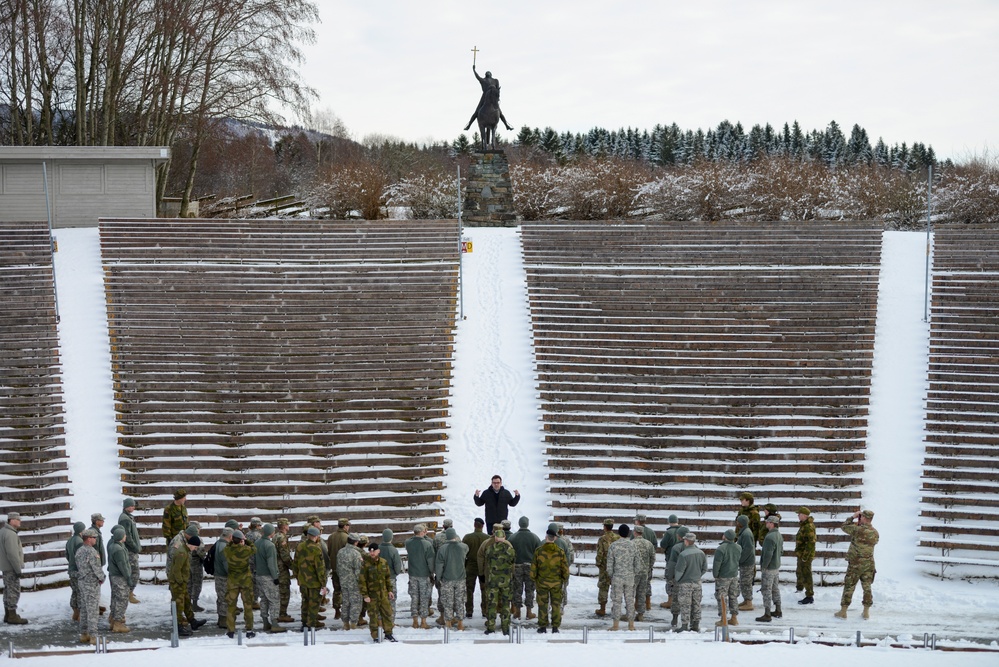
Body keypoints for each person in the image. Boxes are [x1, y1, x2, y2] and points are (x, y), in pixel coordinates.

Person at [836, 509, 879, 620]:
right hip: (868, 564)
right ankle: (866, 612)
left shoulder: (857, 530)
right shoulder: (875, 533)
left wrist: (853, 517)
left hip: (855, 563)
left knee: (849, 586)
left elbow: (844, 526)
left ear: (864, 518)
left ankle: (843, 611)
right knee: (867, 587)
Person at [167, 525, 207, 637]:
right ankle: (179, 626)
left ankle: (192, 621)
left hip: (182, 580)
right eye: (195, 547)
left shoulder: (185, 549)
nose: (195, 550)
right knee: (179, 604)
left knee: (186, 601)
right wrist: (179, 581)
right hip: (177, 581)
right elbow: (175, 569)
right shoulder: (181, 551)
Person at [530, 524, 568, 634]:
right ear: (555, 538)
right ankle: (555, 627)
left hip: (542, 583)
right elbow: (565, 569)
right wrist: (564, 579)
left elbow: (533, 568)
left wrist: (534, 578)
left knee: (542, 605)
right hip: (556, 583)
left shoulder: (539, 551)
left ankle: (542, 626)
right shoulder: (560, 552)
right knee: (556, 605)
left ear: (546, 537)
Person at [359, 542, 397, 642]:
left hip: (383, 595)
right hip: (372, 596)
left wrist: (390, 590)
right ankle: (375, 636)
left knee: (387, 614)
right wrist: (365, 595)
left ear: (378, 551)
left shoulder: (383, 562)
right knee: (373, 616)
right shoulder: (366, 564)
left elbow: (387, 578)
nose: (372, 553)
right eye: (370, 551)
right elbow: (362, 581)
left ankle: (388, 633)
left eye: (374, 551)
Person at [482, 527, 515, 635]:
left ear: (495, 538)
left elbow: (487, 560)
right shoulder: (510, 549)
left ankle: (491, 627)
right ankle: (506, 628)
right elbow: (513, 561)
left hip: (493, 581)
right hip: (506, 581)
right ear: (504, 537)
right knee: (505, 604)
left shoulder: (490, 549)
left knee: (492, 604)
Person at [606, 524, 640, 631]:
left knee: (617, 601)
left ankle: (616, 625)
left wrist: (612, 574)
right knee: (630, 600)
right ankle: (631, 625)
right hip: (629, 577)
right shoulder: (633, 545)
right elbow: (638, 564)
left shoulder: (614, 546)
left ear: (619, 533)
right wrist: (633, 573)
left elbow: (609, 564)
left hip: (617, 577)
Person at [434, 527, 469, 630]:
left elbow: (439, 565)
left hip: (447, 579)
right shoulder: (464, 547)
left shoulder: (442, 549)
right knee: (460, 601)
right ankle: (460, 623)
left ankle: (448, 622)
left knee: (448, 601)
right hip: (460, 578)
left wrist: (438, 578)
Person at [673, 532, 707, 632]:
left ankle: (684, 625)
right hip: (697, 582)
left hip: (685, 583)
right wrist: (697, 576)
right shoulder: (701, 553)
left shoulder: (683, 555)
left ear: (687, 541)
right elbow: (704, 568)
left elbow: (679, 571)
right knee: (696, 604)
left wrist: (678, 580)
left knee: (685, 604)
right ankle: (695, 624)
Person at [225, 529, 256, 638]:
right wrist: (246, 541)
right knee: (248, 606)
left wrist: (233, 542)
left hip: (232, 582)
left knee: (231, 607)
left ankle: (230, 630)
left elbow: (228, 547)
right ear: (241, 540)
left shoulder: (227, 550)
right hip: (245, 582)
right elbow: (254, 548)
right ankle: (249, 629)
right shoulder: (246, 550)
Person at [75, 528, 105, 644]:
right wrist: (102, 578)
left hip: (82, 582)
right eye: (94, 537)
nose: (95, 539)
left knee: (84, 609)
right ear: (88, 539)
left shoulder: (79, 551)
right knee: (92, 610)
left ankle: (84, 634)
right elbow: (96, 568)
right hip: (91, 583)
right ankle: (94, 636)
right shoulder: (91, 551)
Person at [463, 65, 514, 132]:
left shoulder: (495, 80)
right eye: (487, 73)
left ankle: (506, 125)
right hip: (484, 97)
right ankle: (469, 125)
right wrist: (474, 70)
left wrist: (497, 98)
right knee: (477, 112)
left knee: (500, 112)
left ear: (491, 74)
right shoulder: (483, 80)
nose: (488, 73)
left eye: (489, 73)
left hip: (493, 98)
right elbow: (477, 77)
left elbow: (497, 90)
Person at [255, 523, 285, 633]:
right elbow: (271, 564)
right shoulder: (270, 545)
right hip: (268, 576)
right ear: (271, 533)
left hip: (259, 575)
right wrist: (275, 577)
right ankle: (275, 623)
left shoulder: (257, 543)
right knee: (274, 600)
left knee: (264, 599)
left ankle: (265, 622)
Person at [404, 524, 435, 629]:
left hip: (412, 574)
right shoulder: (427, 544)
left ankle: (414, 621)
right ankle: (423, 621)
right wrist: (432, 572)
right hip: (424, 574)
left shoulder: (408, 543)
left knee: (414, 597)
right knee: (424, 598)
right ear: (422, 532)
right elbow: (430, 561)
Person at [509, 516, 541, 620]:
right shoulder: (535, 537)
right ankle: (529, 612)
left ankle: (517, 611)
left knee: (517, 589)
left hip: (517, 566)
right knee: (530, 589)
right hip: (530, 567)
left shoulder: (513, 537)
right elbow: (539, 553)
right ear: (527, 524)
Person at [297, 526, 328, 629]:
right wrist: (323, 583)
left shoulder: (300, 546)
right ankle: (311, 624)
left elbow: (295, 564)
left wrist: (298, 577)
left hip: (303, 581)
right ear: (316, 536)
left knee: (305, 602)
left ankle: (304, 622)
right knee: (314, 603)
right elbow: (320, 568)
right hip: (314, 582)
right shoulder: (316, 549)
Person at [1, 512, 27, 625]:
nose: (20, 521)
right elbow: (12, 554)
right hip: (11, 568)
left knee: (8, 590)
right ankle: (12, 616)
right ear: (11, 520)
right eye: (17, 519)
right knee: (13, 591)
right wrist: (18, 569)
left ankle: (8, 614)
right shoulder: (10, 534)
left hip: (5, 567)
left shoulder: (3, 531)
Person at [712, 529, 741, 626]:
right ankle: (734, 618)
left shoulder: (721, 549)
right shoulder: (738, 547)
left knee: (722, 598)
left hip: (723, 576)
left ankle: (723, 618)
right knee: (733, 597)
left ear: (726, 536)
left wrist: (715, 575)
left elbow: (717, 564)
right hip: (734, 575)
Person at [757, 514, 783, 622]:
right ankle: (778, 609)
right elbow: (781, 551)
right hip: (776, 566)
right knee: (775, 589)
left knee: (766, 590)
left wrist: (764, 566)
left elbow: (768, 554)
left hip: (769, 568)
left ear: (772, 524)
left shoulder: (769, 537)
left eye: (767, 522)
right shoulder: (779, 535)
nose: (766, 523)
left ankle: (767, 613)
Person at [462, 518, 489, 618]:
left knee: (469, 589)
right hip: (483, 566)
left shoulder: (467, 537)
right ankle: (485, 610)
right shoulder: (487, 538)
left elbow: (463, 552)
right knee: (485, 589)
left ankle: (469, 610)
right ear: (482, 526)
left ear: (474, 525)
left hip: (470, 566)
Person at [107, 525, 131, 633]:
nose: (126, 536)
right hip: (119, 577)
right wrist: (128, 577)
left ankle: (113, 620)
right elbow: (123, 566)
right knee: (121, 600)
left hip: (115, 576)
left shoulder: (115, 545)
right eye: (124, 535)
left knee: (116, 598)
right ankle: (118, 623)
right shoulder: (118, 549)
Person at [336, 533, 363, 630]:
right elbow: (358, 570)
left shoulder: (340, 552)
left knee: (345, 602)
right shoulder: (356, 554)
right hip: (353, 582)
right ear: (356, 542)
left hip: (343, 581)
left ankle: (345, 623)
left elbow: (338, 568)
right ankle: (353, 624)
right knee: (355, 602)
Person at [118, 498, 141, 603]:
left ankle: (130, 591)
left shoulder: (128, 517)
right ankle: (129, 592)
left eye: (133, 505)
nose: (133, 507)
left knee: (133, 572)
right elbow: (128, 536)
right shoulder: (125, 519)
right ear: (126, 506)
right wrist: (135, 547)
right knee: (134, 572)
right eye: (131, 505)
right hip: (130, 550)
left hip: (132, 549)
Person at [594, 518, 619, 617]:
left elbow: (600, 553)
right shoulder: (617, 538)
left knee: (603, 587)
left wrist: (598, 563)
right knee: (615, 587)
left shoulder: (602, 539)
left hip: (605, 567)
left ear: (605, 527)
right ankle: (615, 607)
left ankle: (602, 609)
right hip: (615, 567)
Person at [327, 518, 350, 620]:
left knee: (336, 590)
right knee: (345, 590)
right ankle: (345, 611)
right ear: (345, 526)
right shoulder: (347, 537)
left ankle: (337, 610)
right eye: (348, 525)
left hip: (334, 567)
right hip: (344, 568)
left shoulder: (331, 537)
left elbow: (329, 551)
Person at [666, 525, 689, 625]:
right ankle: (687, 619)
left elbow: (672, 564)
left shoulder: (676, 547)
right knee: (688, 599)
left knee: (676, 598)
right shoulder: (695, 547)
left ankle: (675, 617)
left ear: (679, 536)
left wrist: (669, 576)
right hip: (690, 576)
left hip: (678, 576)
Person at [273, 518, 295, 623]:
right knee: (284, 592)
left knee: (280, 591)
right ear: (284, 526)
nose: (288, 526)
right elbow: (284, 555)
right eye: (287, 524)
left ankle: (280, 613)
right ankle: (282, 614)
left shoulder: (276, 536)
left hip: (277, 567)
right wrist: (293, 566)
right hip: (281, 568)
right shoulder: (281, 538)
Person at [378, 529, 403, 619]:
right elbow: (397, 565)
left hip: (378, 578)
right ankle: (391, 620)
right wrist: (395, 574)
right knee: (391, 600)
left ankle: (380, 620)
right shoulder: (393, 550)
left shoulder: (378, 549)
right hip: (390, 578)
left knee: (379, 599)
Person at [212, 527, 234, 628]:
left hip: (218, 574)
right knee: (225, 598)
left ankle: (221, 618)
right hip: (224, 576)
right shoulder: (225, 547)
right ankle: (223, 620)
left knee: (221, 598)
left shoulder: (218, 543)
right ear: (230, 536)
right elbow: (227, 565)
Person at [631, 528, 655, 621]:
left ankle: (630, 612)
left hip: (634, 572)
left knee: (631, 593)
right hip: (645, 572)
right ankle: (640, 614)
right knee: (641, 593)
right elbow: (653, 557)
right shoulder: (649, 544)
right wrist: (648, 568)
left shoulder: (631, 543)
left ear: (635, 532)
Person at [633, 514, 656, 609]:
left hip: (636, 567)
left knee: (635, 587)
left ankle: (636, 605)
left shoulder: (633, 537)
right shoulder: (651, 532)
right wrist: (650, 565)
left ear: (638, 521)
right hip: (647, 565)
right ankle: (647, 603)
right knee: (647, 584)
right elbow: (655, 546)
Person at [658, 514, 681, 609]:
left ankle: (670, 600)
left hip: (671, 559)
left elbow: (663, 545)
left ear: (669, 521)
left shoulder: (669, 532)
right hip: (683, 559)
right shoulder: (684, 531)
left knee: (670, 579)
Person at [65, 521, 86, 621]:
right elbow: (81, 557)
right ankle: (80, 615)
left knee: (74, 591)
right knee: (81, 592)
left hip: (71, 569)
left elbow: (67, 555)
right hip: (78, 570)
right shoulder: (79, 542)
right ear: (81, 531)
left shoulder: (70, 540)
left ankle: (75, 612)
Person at [187, 520, 209, 612]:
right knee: (197, 583)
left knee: (189, 583)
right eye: (199, 528)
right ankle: (194, 603)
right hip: (196, 563)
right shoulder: (197, 539)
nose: (200, 530)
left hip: (188, 562)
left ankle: (188, 603)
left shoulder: (185, 538)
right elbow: (201, 552)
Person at [795, 507, 816, 605]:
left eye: (799, 514)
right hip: (802, 554)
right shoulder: (804, 525)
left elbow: (810, 543)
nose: (798, 516)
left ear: (804, 515)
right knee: (801, 572)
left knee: (807, 575)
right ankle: (801, 590)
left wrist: (805, 556)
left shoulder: (808, 526)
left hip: (805, 555)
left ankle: (809, 596)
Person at [735, 515, 756, 611]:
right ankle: (746, 600)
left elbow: (748, 549)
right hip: (745, 561)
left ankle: (749, 602)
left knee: (746, 582)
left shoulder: (746, 534)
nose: (736, 523)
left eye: (738, 521)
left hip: (747, 562)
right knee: (744, 582)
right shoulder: (744, 532)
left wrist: (740, 560)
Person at [554, 523, 574, 609]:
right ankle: (562, 606)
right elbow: (571, 555)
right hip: (564, 568)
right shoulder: (567, 541)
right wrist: (567, 565)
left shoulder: (551, 539)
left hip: (553, 568)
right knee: (563, 587)